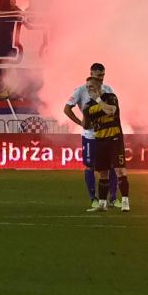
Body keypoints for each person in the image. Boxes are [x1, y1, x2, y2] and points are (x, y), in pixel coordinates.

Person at [62, 62, 131, 209]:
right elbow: (67, 108)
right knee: (90, 167)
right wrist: (80, 123)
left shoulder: (108, 90)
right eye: (99, 76)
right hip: (90, 136)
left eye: (103, 75)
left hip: (109, 135)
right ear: (92, 74)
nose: (101, 78)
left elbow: (113, 110)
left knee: (112, 166)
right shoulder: (80, 90)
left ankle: (112, 198)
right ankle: (94, 199)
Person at [79, 74, 126, 211]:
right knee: (98, 169)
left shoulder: (110, 97)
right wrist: (85, 115)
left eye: (91, 87)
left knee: (116, 168)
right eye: (87, 87)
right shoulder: (87, 104)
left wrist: (98, 100)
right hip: (96, 138)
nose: (88, 90)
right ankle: (98, 202)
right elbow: (85, 124)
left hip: (112, 138)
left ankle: (117, 199)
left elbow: (110, 111)